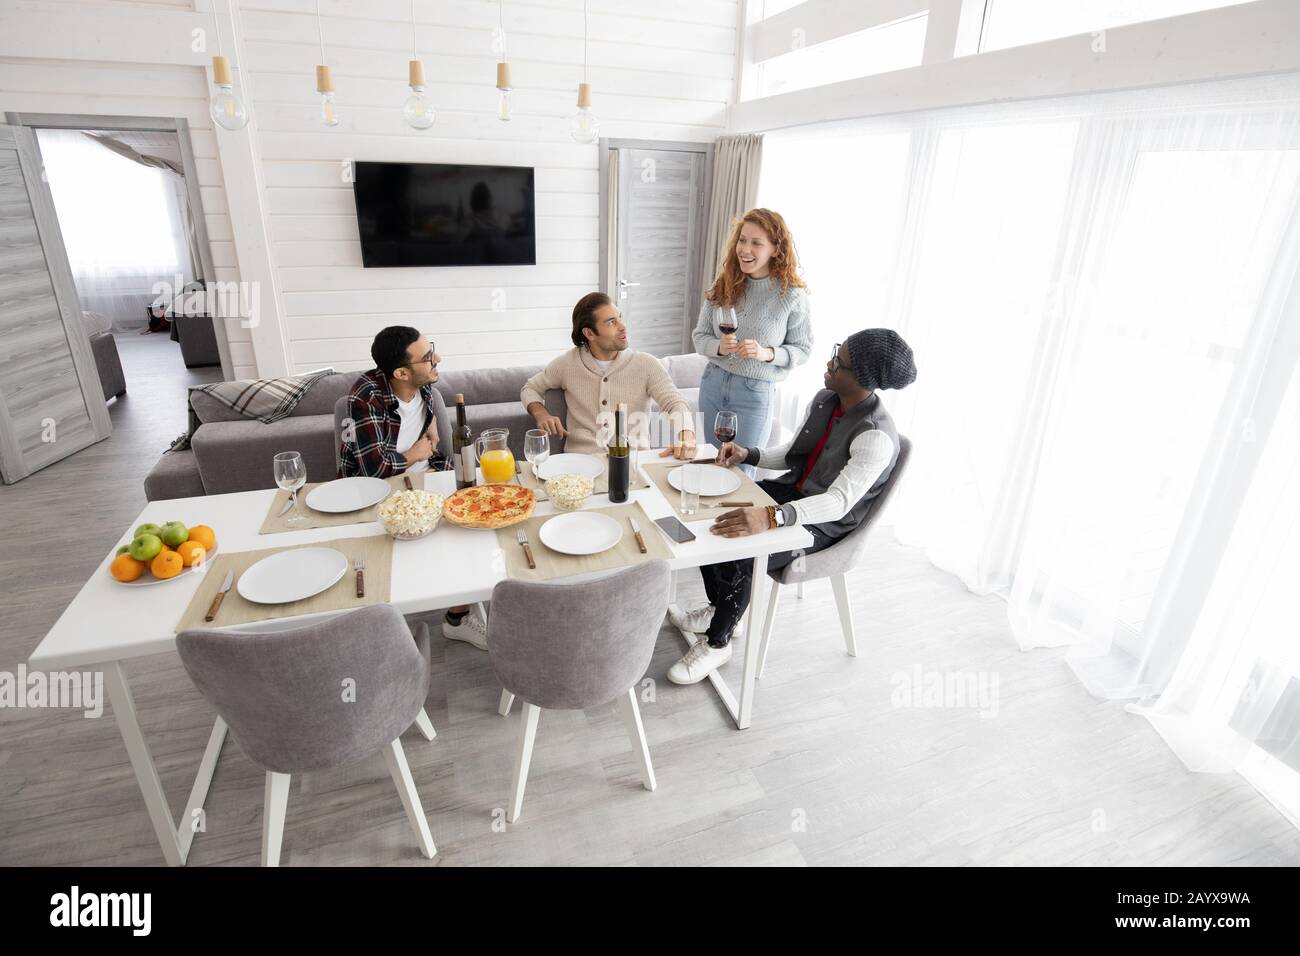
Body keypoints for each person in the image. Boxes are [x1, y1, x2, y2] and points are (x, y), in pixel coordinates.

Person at [666, 330, 917, 685]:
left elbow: (837, 503)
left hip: (824, 525)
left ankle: (719, 641)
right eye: (834, 353)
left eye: (838, 362)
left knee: (743, 547)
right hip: (793, 496)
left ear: (862, 378)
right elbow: (794, 451)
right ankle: (721, 610)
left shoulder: (874, 436)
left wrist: (769, 517)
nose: (828, 364)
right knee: (710, 513)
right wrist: (749, 453)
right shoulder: (825, 399)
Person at [339, 326, 486, 650]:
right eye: (428, 357)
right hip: (376, 488)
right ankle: (381, 633)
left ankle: (458, 614)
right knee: (387, 553)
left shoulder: (423, 383)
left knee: (474, 522)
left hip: (429, 475)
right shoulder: (365, 395)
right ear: (401, 372)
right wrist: (415, 453)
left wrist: (430, 426)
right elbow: (373, 469)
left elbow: (424, 417)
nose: (438, 359)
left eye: (431, 349)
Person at [692, 208, 812, 476]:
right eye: (742, 240)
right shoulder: (724, 284)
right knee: (711, 467)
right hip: (713, 384)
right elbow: (700, 336)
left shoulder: (791, 295)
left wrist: (767, 353)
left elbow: (803, 349)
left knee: (741, 473)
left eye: (756, 243)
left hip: (754, 393)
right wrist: (718, 348)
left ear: (775, 249)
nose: (745, 249)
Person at [522, 292, 698, 457]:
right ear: (589, 333)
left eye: (620, 317)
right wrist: (542, 414)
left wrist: (687, 437)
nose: (622, 326)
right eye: (611, 322)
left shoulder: (646, 364)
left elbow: (675, 402)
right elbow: (530, 388)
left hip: (634, 463)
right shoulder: (567, 364)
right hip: (581, 464)